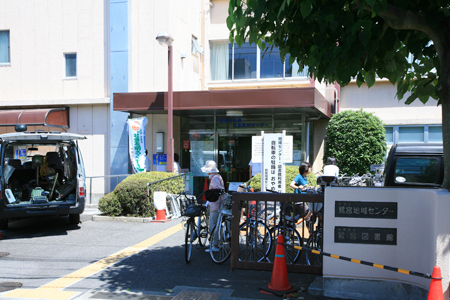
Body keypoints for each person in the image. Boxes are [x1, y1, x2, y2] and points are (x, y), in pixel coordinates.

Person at [201, 160, 225, 252]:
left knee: (213, 225)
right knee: (217, 224)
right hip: (219, 204)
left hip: (215, 204)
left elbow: (216, 192)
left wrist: (208, 195)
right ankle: (218, 243)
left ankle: (215, 245)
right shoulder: (218, 177)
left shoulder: (214, 178)